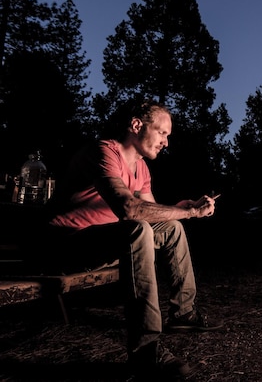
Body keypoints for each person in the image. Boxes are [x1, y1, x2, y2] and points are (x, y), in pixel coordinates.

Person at [41, 99, 222, 379]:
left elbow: (154, 214)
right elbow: (129, 210)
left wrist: (184, 208)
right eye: (162, 133)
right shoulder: (102, 152)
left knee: (171, 227)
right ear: (137, 125)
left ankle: (184, 314)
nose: (166, 142)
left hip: (103, 244)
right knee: (137, 229)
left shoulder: (141, 168)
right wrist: (189, 212)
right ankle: (145, 350)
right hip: (65, 245)